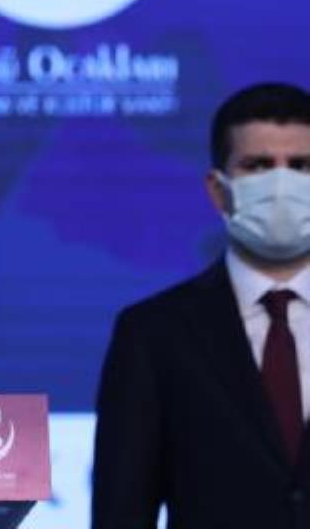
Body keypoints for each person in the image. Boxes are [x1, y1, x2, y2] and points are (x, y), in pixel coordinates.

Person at [93, 82, 310, 528]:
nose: (282, 185)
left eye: (301, 166)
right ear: (217, 189)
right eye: (258, 166)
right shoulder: (152, 334)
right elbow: (121, 513)